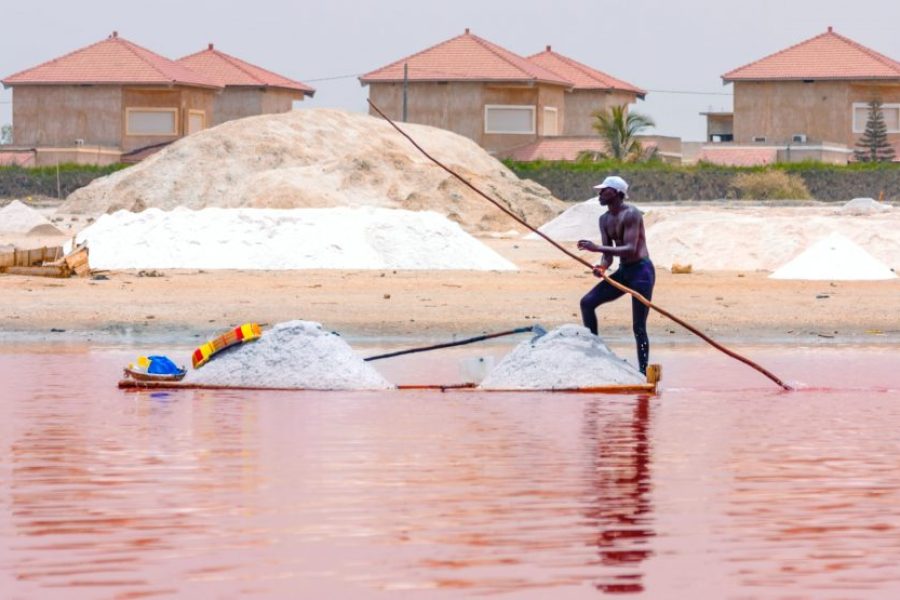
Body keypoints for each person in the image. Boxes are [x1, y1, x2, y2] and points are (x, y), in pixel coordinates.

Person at [577, 176, 655, 374]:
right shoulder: (603, 219)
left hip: (642, 272)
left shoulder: (632, 214)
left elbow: (629, 248)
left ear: (618, 193)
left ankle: (643, 373)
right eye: (600, 190)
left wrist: (595, 248)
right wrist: (602, 267)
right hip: (624, 271)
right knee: (587, 302)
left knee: (638, 326)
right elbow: (608, 255)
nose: (600, 194)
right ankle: (594, 352)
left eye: (605, 190)